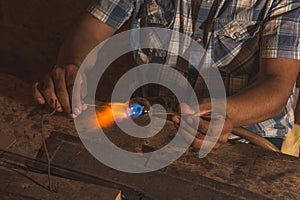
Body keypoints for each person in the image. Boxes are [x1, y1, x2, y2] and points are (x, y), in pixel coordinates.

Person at [33, 0, 300, 150]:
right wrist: (72, 65)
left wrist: (223, 114)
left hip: (241, 139)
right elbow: (91, 30)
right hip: (149, 123)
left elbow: (276, 85)